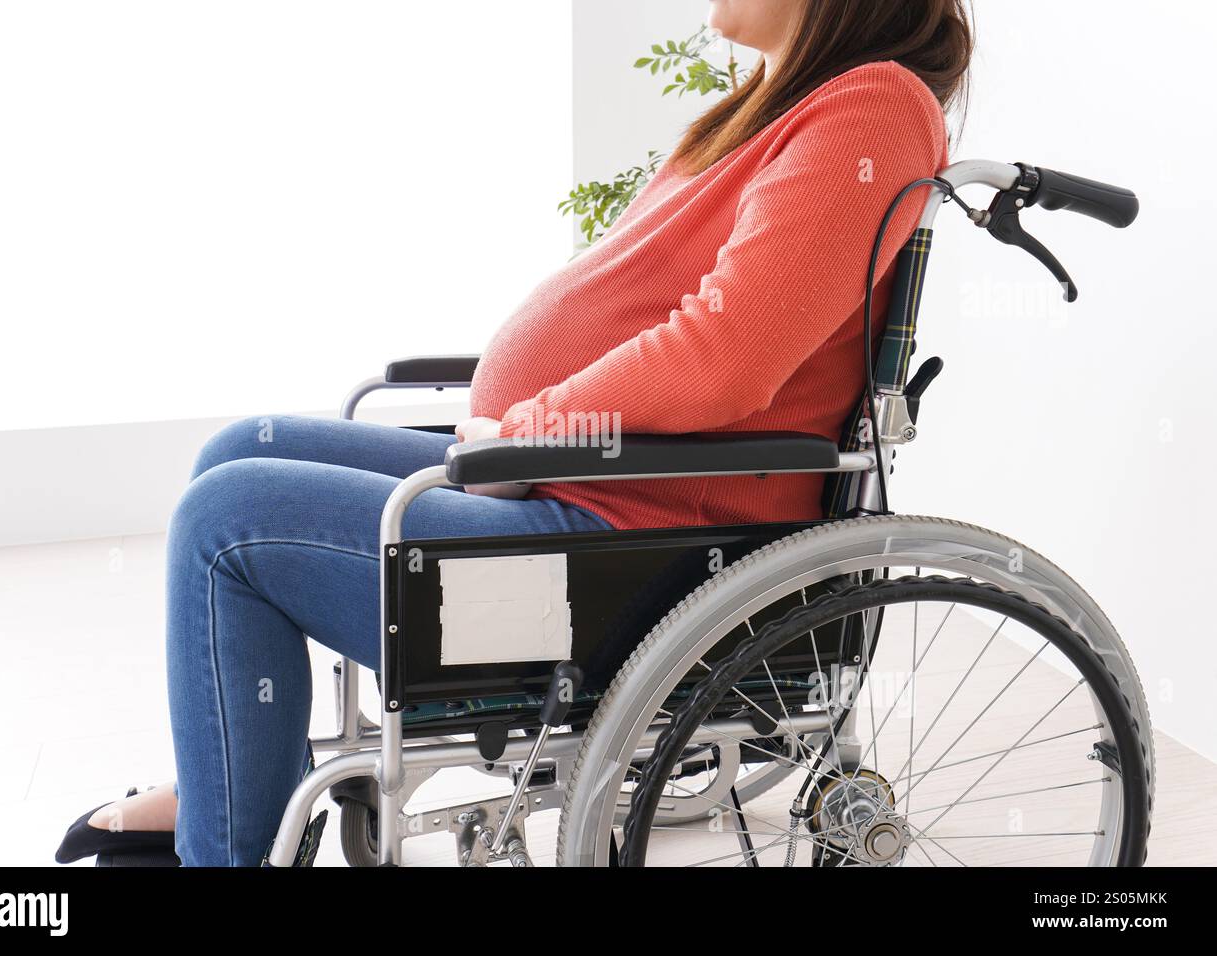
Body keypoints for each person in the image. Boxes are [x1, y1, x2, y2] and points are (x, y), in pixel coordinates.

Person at [57, 0, 971, 866]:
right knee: (238, 453)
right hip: (580, 481)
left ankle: (220, 846)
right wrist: (527, 428)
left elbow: (727, 356)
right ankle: (242, 787)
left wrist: (532, 427)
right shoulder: (783, 108)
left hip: (635, 547)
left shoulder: (872, 108)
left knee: (228, 523)